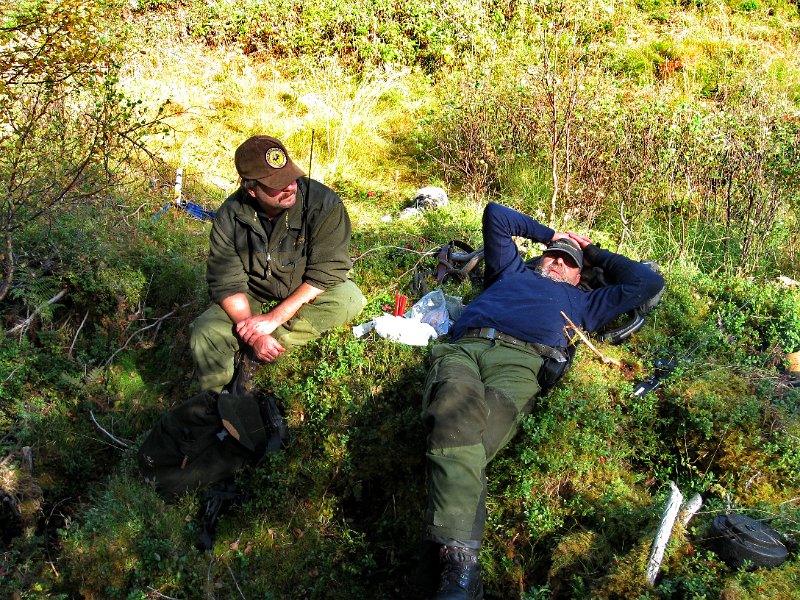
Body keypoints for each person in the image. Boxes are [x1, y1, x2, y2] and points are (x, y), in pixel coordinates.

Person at [416, 202, 664, 599]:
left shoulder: (586, 303)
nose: (558, 262)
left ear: (581, 275)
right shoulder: (510, 272)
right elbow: (496, 215)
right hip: (465, 349)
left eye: (569, 262)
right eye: (553, 256)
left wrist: (593, 251)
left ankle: (446, 563)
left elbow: (646, 283)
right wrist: (553, 236)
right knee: (452, 416)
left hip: (521, 365)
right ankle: (460, 569)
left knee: (469, 442)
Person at [190, 135, 366, 392]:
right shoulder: (230, 215)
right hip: (255, 293)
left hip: (308, 290)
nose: (290, 187)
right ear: (251, 189)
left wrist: (272, 322)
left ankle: (258, 358)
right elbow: (227, 283)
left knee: (348, 299)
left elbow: (327, 272)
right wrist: (254, 333)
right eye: (277, 184)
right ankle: (216, 402)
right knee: (205, 331)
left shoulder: (323, 204)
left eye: (291, 177)